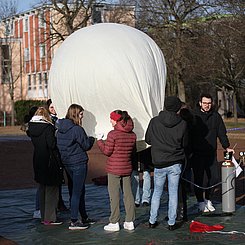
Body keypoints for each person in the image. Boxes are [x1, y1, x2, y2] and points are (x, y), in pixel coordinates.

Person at [146, 96, 187, 231]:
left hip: (159, 162)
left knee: (157, 192)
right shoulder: (182, 123)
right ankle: (171, 222)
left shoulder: (154, 122)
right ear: (177, 108)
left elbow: (148, 140)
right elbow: (185, 143)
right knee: (173, 192)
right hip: (175, 162)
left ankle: (152, 220)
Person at [189, 93, 234, 213]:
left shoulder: (216, 116)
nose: (207, 105)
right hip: (197, 153)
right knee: (199, 179)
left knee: (214, 178)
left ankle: (208, 199)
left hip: (211, 153)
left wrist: (227, 146)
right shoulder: (194, 116)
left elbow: (221, 133)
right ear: (200, 103)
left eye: (209, 103)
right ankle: (200, 202)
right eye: (205, 103)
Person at [56, 104, 95, 230]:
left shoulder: (60, 129)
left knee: (76, 190)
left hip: (67, 163)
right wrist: (92, 139)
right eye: (81, 114)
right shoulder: (77, 129)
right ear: (76, 114)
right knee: (77, 192)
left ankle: (83, 217)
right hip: (78, 163)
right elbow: (86, 145)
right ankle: (74, 220)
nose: (82, 117)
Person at [97, 110, 137, 232]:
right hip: (127, 167)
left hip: (114, 169)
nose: (110, 121)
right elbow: (133, 152)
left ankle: (114, 222)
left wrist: (99, 141)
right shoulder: (132, 134)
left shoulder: (113, 134)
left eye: (111, 119)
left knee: (114, 196)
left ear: (116, 120)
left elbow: (107, 151)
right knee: (128, 195)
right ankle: (129, 221)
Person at [28, 107, 64, 225]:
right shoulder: (48, 127)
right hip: (49, 160)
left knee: (43, 188)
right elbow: (52, 144)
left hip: (38, 159)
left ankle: (44, 217)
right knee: (52, 190)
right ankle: (50, 218)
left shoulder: (32, 127)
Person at [47, 99, 70, 212]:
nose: (54, 109)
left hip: (63, 151)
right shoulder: (49, 121)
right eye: (51, 107)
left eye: (55, 107)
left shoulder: (62, 119)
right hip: (56, 152)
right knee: (57, 180)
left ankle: (63, 202)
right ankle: (58, 202)